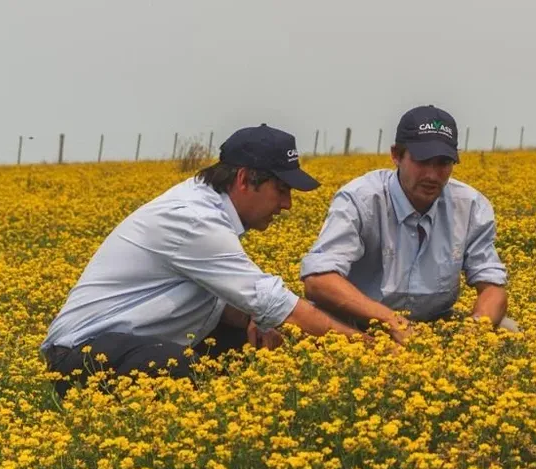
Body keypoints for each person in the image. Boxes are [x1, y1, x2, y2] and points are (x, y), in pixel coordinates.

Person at [41, 124, 358, 396]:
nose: (287, 204)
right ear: (245, 179)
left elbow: (232, 301)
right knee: (173, 367)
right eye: (281, 189)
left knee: (254, 350)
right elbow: (272, 301)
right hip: (80, 358)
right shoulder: (194, 219)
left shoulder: (206, 208)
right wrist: (366, 348)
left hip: (123, 348)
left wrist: (254, 322)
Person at [299, 105, 515, 342]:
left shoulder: (470, 206)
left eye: (443, 163)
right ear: (396, 155)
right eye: (422, 161)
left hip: (432, 326)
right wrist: (389, 320)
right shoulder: (361, 199)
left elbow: (493, 288)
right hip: (357, 322)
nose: (432, 175)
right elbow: (318, 280)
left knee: (506, 330)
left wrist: (470, 336)